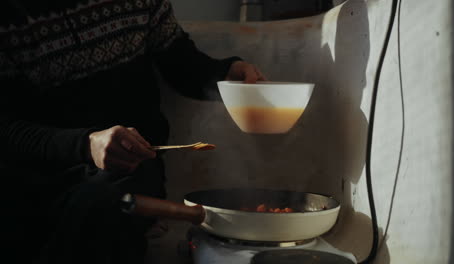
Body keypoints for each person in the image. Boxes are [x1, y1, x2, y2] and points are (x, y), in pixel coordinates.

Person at [0, 0, 266, 263]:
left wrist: (227, 73)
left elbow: (182, 65)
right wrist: (85, 144)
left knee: (103, 204)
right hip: (35, 172)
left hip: (128, 166)